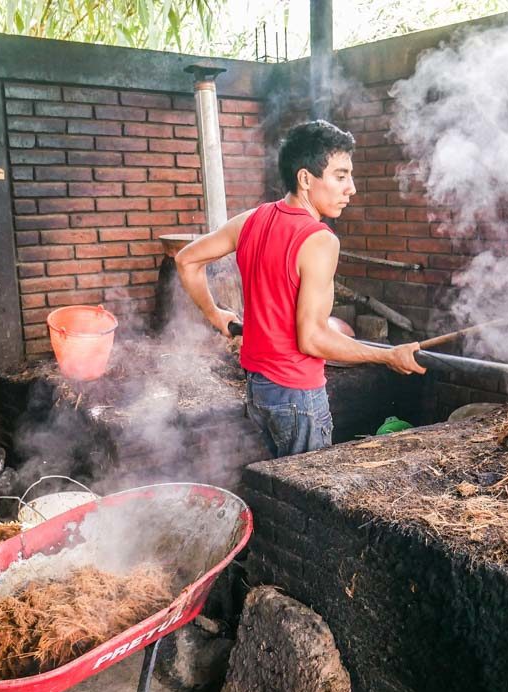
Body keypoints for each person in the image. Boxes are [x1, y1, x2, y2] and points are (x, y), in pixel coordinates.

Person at [176, 119, 425, 458]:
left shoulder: (250, 220)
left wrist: (213, 312)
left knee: (276, 484)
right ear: (306, 178)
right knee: (303, 499)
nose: (351, 187)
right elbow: (313, 339)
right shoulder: (320, 241)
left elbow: (187, 260)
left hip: (258, 391)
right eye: (340, 175)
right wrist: (387, 355)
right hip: (297, 397)